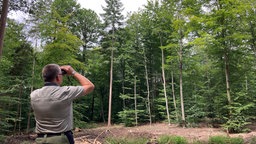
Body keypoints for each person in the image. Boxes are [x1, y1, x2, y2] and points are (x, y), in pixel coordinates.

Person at [30, 64, 95, 144]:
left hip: (40, 139)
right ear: (58, 77)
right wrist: (73, 72)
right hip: (61, 139)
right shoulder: (64, 92)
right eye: (61, 75)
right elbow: (90, 86)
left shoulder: (34, 94)